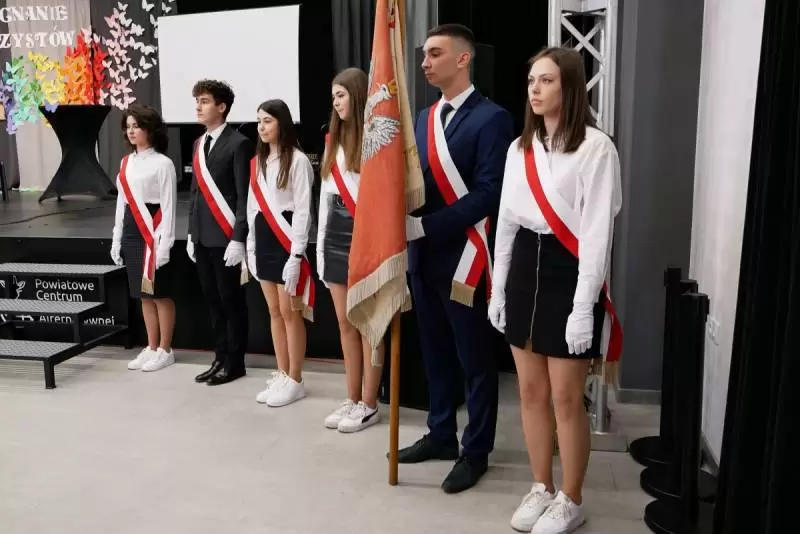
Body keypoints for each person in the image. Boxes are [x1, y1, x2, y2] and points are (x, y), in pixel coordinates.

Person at [489, 47, 622, 534]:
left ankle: (572, 497)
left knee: (567, 397)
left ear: (570, 86)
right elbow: (506, 222)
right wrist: (498, 288)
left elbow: (597, 234)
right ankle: (542, 485)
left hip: (570, 270)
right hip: (525, 267)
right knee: (530, 391)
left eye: (546, 80)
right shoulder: (519, 148)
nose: (535, 89)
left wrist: (584, 306)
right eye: (531, 81)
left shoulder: (596, 148)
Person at [400, 23, 514, 494]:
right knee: (434, 353)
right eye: (425, 55)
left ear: (463, 59)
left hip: (467, 256)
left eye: (435, 54)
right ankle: (441, 433)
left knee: (476, 360)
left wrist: (427, 225)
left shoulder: (493, 119)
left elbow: (489, 193)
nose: (424, 63)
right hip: (423, 257)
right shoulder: (424, 118)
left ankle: (476, 450)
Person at [317, 68, 384, 433]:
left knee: (368, 325)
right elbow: (325, 199)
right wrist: (320, 248)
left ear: (357, 96)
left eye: (341, 95)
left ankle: (369, 403)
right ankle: (352, 397)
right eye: (333, 97)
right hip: (335, 232)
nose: (336, 103)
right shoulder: (332, 141)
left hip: (366, 233)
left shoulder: (376, 141)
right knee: (345, 323)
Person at [247, 99, 315, 408]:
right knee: (274, 311)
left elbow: (303, 210)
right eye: (259, 121)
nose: (261, 127)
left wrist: (296, 255)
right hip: (263, 236)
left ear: (282, 123)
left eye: (268, 121)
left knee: (290, 312)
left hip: (286, 238)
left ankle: (296, 378)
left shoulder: (297, 161)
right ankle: (283, 371)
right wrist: (250, 245)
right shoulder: (257, 162)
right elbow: (253, 207)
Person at [186, 80, 252, 386]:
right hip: (202, 237)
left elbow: (243, 196)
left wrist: (238, 238)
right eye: (197, 102)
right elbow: (194, 193)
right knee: (212, 301)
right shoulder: (198, 144)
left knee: (231, 302)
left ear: (221, 107)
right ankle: (219, 357)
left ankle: (235, 362)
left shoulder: (239, 143)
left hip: (226, 238)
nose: (198, 107)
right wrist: (191, 233)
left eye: (205, 101)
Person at [110, 104, 178, 372]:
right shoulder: (125, 163)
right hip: (131, 228)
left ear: (149, 129)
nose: (131, 131)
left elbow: (169, 206)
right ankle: (151, 346)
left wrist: (165, 245)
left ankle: (165, 349)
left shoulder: (163, 163)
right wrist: (116, 238)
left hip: (154, 227)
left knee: (159, 293)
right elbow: (121, 202)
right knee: (143, 294)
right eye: (128, 127)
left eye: (136, 126)